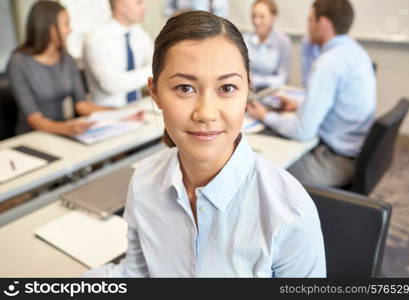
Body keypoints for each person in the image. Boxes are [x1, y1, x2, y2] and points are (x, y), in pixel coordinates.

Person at [84, 11, 325, 278]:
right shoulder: (144, 183)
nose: (206, 113)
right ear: (155, 93)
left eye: (227, 88)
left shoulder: (290, 213)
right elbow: (137, 274)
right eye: (185, 88)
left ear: (248, 91)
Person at [247, 0, 376, 187]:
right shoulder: (355, 52)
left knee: (266, 169)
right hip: (353, 151)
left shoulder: (328, 64)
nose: (307, 28)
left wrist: (265, 115)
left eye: (310, 21)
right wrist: (299, 106)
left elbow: (302, 131)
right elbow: (336, 103)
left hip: (336, 161)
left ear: (323, 23)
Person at [6, 1, 110, 136]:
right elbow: (34, 119)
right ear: (49, 28)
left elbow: (81, 105)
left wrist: (121, 112)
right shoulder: (18, 62)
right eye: (66, 24)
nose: (70, 30)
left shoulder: (67, 59)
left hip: (62, 131)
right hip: (32, 136)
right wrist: (67, 128)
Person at [83, 0, 153, 107]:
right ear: (120, 6)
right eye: (139, 2)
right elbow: (111, 84)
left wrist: (155, 69)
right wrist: (153, 70)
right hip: (107, 112)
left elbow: (156, 65)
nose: (145, 8)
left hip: (137, 106)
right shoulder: (95, 39)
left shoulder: (141, 34)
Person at [243, 0, 292, 91]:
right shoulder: (245, 39)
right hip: (248, 92)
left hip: (272, 93)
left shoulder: (283, 42)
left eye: (262, 17)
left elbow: (282, 78)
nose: (256, 21)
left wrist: (255, 80)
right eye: (253, 16)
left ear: (273, 17)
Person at [163, 0, 229, 18]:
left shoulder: (219, 1)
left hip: (206, 28)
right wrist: (176, 13)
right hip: (182, 26)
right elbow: (166, 11)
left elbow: (221, 17)